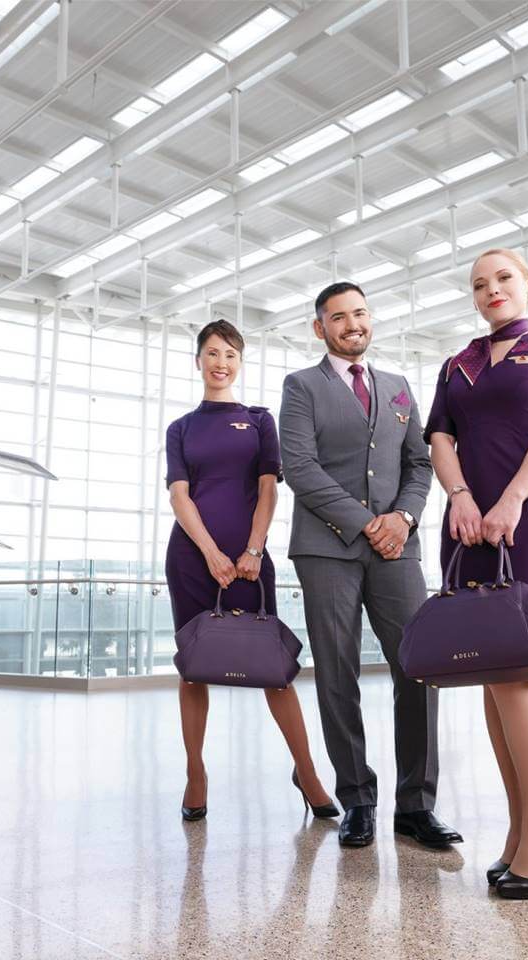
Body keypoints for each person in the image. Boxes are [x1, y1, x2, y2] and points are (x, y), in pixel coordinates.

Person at [425, 248, 528, 899]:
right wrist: (460, 495)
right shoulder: (456, 364)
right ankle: (526, 826)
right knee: (489, 675)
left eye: (504, 279)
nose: (492, 290)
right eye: (480, 284)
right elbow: (440, 438)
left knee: (518, 671)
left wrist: (513, 496)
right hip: (467, 523)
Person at [279, 282, 460, 850]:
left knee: (420, 667)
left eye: (360, 313)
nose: (352, 324)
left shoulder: (399, 387)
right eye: (338, 317)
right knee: (337, 672)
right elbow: (301, 467)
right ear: (320, 327)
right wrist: (365, 523)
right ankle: (357, 797)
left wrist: (403, 518)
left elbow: (420, 464)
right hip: (327, 549)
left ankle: (417, 805)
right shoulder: (302, 386)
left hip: (397, 548)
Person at [165, 319, 337, 823]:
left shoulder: (260, 420)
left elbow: (268, 488)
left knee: (274, 671)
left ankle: (306, 772)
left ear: (240, 362)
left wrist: (253, 550)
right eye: (213, 353)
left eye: (231, 355)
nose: (221, 363)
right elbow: (180, 496)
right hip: (193, 559)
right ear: (198, 361)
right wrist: (211, 554)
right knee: (192, 669)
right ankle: (196, 774)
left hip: (249, 560)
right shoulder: (181, 428)